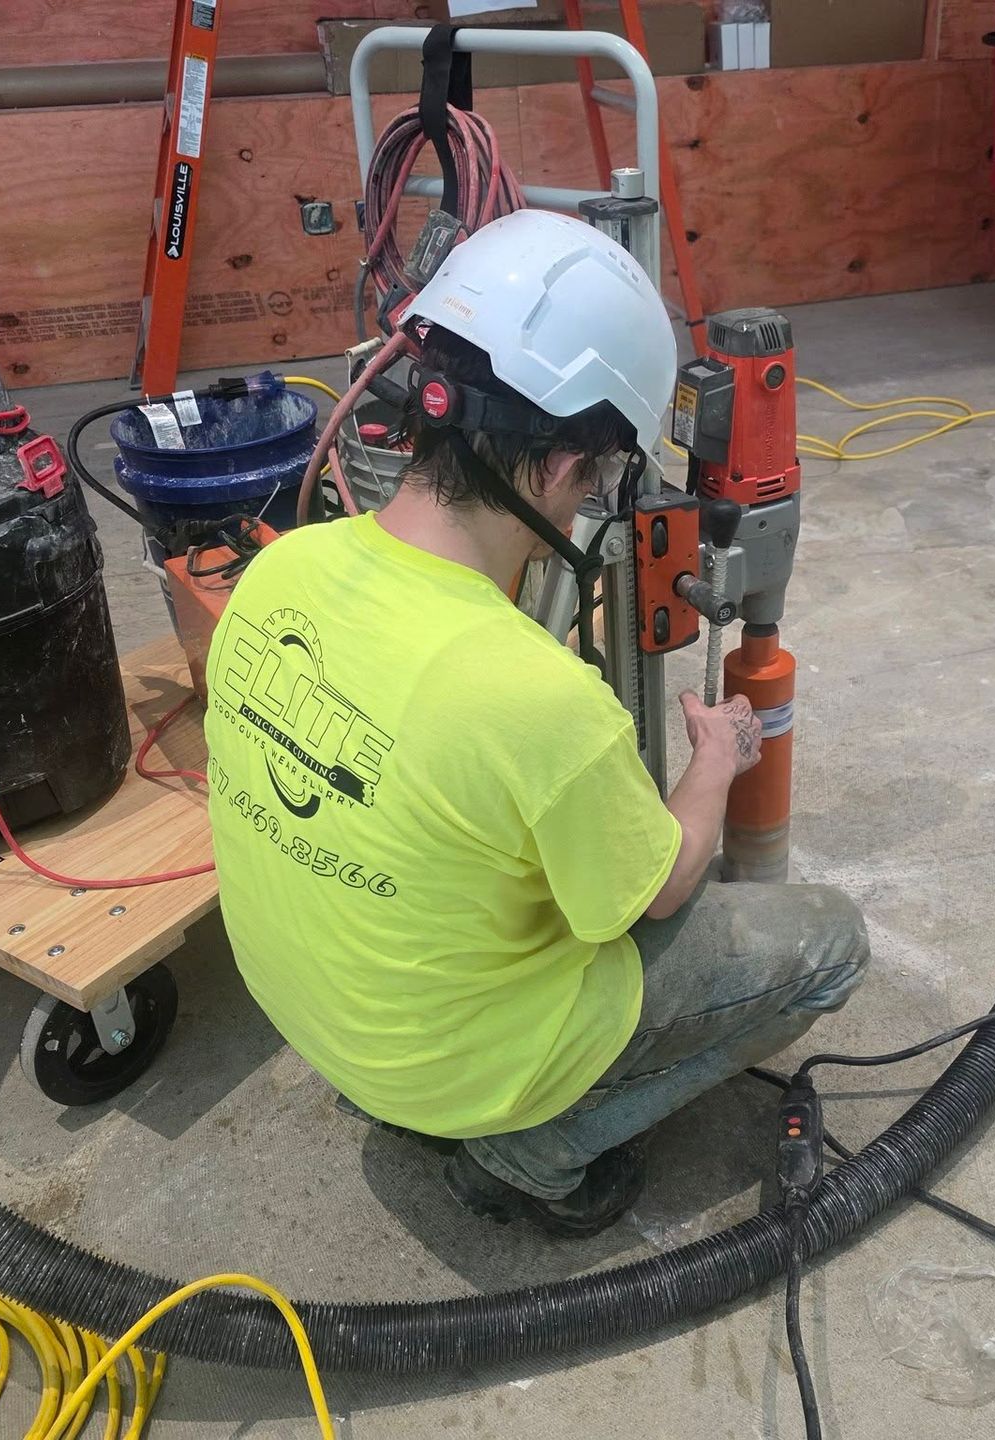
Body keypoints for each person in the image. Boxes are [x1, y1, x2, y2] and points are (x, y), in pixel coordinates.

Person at [204, 209, 869, 1237]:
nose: (592, 498)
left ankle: (435, 1093)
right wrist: (714, 761)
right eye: (600, 475)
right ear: (561, 465)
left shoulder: (279, 570)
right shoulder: (535, 697)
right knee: (831, 943)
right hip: (443, 1068)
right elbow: (657, 893)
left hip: (319, 1024)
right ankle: (537, 1145)